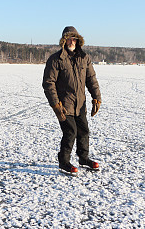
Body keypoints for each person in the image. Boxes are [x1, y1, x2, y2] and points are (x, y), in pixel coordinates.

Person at [42, 26, 102, 174]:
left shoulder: (84, 58)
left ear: (77, 40)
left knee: (83, 131)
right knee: (70, 132)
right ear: (64, 40)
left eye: (74, 38)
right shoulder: (56, 59)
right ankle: (64, 162)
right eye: (69, 39)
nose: (71, 41)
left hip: (80, 105)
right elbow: (48, 83)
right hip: (64, 105)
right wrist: (56, 104)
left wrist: (97, 98)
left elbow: (91, 79)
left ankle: (83, 158)